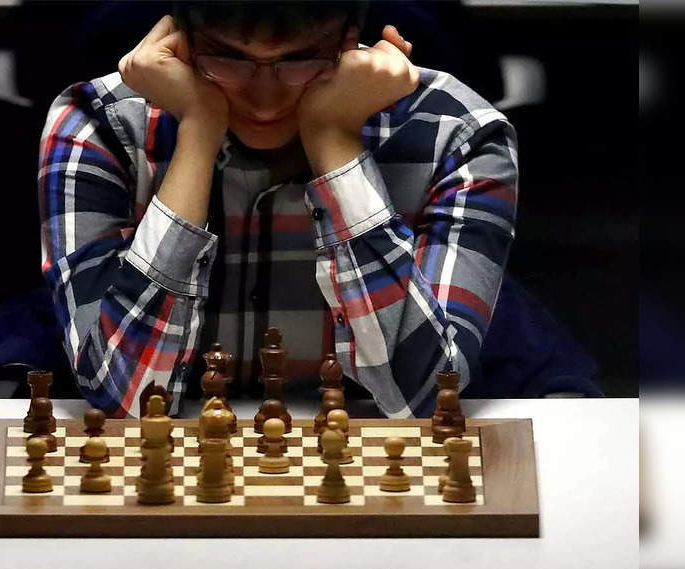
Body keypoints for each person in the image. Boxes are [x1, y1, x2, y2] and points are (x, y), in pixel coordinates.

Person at [37, 1, 518, 417]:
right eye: (228, 59)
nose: (264, 101)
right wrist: (197, 133)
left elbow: (426, 400)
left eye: (299, 61)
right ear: (181, 40)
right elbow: (126, 399)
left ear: (350, 41)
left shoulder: (457, 132)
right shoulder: (97, 123)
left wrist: (335, 141)